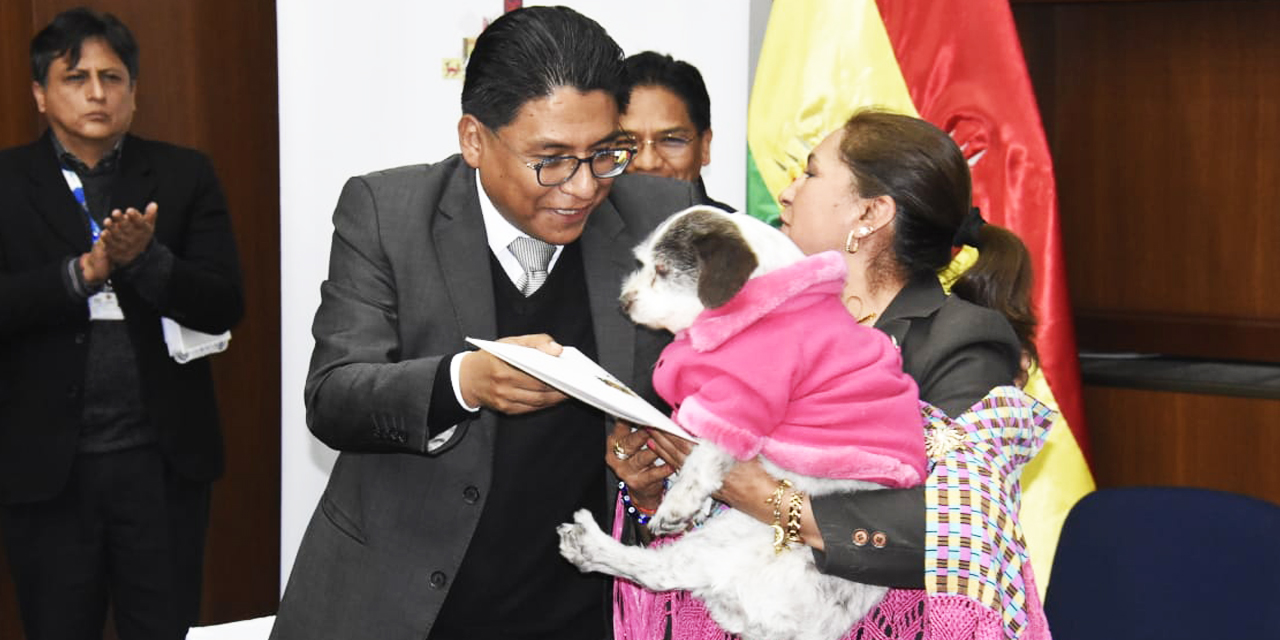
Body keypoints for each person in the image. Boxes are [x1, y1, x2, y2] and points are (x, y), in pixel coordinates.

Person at [269, 7, 701, 640]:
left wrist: (653, 472)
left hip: (581, 606)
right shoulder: (388, 215)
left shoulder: (660, 215)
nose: (582, 187)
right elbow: (333, 396)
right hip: (409, 602)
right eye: (551, 159)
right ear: (474, 138)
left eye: (606, 153)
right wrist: (461, 383)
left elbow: (709, 388)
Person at [611, 110, 1052, 639]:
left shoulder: (961, 339)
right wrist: (653, 495)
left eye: (810, 173)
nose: (787, 192)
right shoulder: (760, 322)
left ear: (870, 212)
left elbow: (949, 531)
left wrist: (769, 499)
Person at [0, 7, 244, 640]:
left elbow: (224, 302)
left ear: (134, 91)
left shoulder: (182, 174)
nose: (96, 92)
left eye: (112, 77)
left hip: (160, 465)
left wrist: (146, 261)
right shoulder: (5, 182)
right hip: (45, 468)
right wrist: (82, 273)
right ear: (39, 93)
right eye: (75, 77)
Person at [619, 51, 732, 212]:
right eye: (626, 142)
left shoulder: (742, 235)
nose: (647, 163)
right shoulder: (579, 233)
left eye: (670, 140)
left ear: (704, 147)